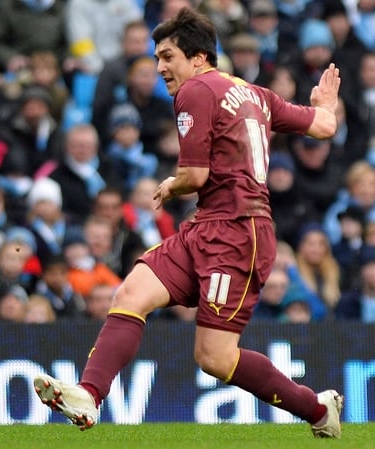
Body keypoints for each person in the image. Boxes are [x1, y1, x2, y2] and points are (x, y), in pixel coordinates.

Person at [33, 8, 344, 438]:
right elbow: (324, 127)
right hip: (210, 225)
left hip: (238, 232)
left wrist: (170, 187)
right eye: (157, 58)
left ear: (198, 58)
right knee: (131, 292)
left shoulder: (196, 90)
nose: (160, 67)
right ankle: (89, 394)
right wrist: (324, 104)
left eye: (167, 56)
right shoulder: (256, 93)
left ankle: (316, 408)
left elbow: (195, 176)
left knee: (214, 358)